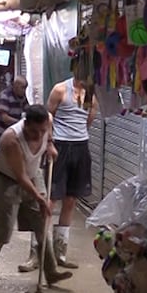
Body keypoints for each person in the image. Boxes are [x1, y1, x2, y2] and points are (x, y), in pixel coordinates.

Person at [0, 105, 74, 289]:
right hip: (5, 179)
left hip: (33, 174)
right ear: (25, 124)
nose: (38, 135)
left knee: (41, 222)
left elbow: (48, 136)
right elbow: (21, 177)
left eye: (42, 131)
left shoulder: (47, 120)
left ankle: (51, 272)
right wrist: (40, 199)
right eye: (34, 131)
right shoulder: (11, 139)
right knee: (3, 228)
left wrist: (50, 145)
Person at [44, 75, 96, 269]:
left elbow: (89, 119)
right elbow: (48, 117)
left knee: (71, 199)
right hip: (60, 146)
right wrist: (49, 143)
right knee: (49, 200)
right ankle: (38, 251)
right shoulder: (60, 89)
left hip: (81, 147)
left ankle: (60, 253)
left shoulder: (91, 94)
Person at [0, 77, 29, 153]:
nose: (24, 90)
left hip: (12, 132)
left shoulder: (22, 97)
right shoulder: (5, 96)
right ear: (15, 86)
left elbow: (28, 110)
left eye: (25, 88)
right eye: (22, 88)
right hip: (0, 132)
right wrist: (20, 122)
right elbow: (5, 118)